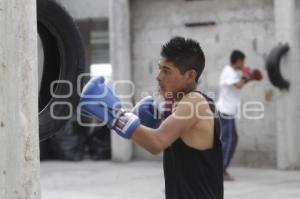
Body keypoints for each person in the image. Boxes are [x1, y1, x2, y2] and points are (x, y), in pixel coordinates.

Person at [80, 37, 224, 199]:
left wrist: (116, 115)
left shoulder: (195, 102)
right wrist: (155, 123)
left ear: (190, 75)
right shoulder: (180, 106)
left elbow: (156, 143)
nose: (159, 76)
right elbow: (159, 141)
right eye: (159, 68)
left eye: (167, 70)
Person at [216, 50, 262, 181]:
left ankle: (220, 168)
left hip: (228, 111)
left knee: (230, 139)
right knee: (229, 140)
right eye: (243, 61)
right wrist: (247, 76)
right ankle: (221, 170)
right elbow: (238, 84)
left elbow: (239, 85)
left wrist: (250, 77)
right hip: (225, 111)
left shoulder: (235, 72)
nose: (243, 64)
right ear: (238, 61)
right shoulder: (228, 71)